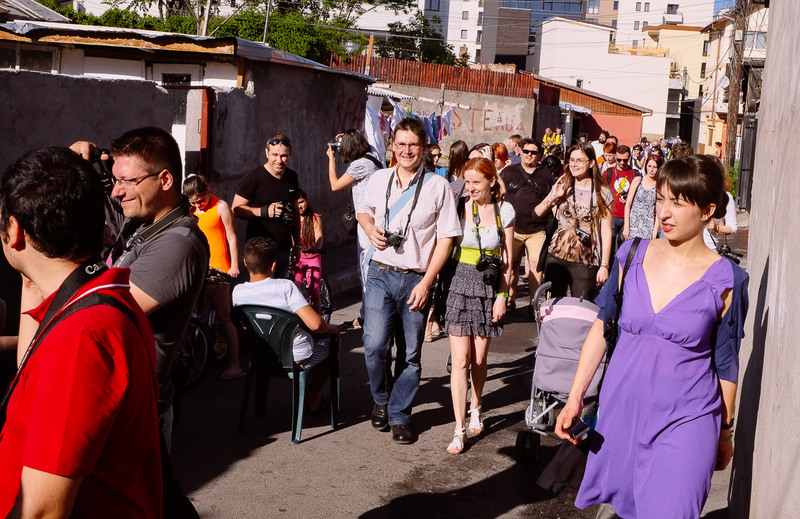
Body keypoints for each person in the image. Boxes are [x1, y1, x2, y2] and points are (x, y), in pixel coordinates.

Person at [555, 154, 749, 518]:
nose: (665, 213)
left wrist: (724, 432)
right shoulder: (631, 255)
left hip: (689, 418)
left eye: (678, 203)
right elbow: (602, 328)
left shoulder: (728, 280)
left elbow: (726, 361)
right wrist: (575, 397)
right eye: (661, 199)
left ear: (708, 210)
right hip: (624, 412)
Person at [0, 147, 161, 517]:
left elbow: (41, 511)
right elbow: (28, 368)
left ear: (14, 230)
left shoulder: (80, 337)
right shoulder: (99, 299)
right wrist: (29, 274)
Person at [72, 127, 209, 452]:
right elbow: (107, 199)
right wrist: (80, 165)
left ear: (165, 180)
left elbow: (97, 318)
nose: (116, 192)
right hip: (115, 408)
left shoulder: (177, 244)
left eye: (127, 181)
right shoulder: (144, 222)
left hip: (137, 420)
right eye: (115, 179)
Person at [356, 117, 462, 444]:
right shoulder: (379, 179)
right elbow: (363, 211)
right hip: (380, 273)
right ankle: (382, 399)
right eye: (401, 144)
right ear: (393, 145)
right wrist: (369, 228)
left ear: (424, 147)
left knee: (410, 353)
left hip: (417, 278)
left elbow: (446, 238)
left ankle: (400, 415)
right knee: (374, 344)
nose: (406, 150)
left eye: (413, 144)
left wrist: (427, 282)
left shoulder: (438, 186)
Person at [442, 158, 515, 454]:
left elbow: (508, 261)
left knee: (479, 360)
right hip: (460, 283)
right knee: (460, 361)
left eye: (476, 182)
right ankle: (459, 429)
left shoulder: (504, 211)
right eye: (467, 181)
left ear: (491, 181)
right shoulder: (459, 206)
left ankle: (476, 405)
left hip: (488, 287)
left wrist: (502, 295)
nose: (470, 187)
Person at [233, 237, 340, 411]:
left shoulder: (238, 292)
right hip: (295, 356)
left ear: (245, 262)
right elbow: (316, 325)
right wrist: (333, 329)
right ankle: (312, 396)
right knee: (334, 343)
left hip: (262, 355)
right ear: (274, 265)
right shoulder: (285, 287)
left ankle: (304, 397)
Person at [183, 174, 243, 380]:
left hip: (218, 268)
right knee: (189, 316)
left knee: (225, 317)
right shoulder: (188, 210)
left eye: (201, 200)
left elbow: (231, 237)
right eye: (193, 202)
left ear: (208, 190)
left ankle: (235, 364)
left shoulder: (220, 206)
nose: (198, 205)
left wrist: (234, 265)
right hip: (195, 267)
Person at [541, 143, 613, 301]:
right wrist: (553, 198)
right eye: (571, 160)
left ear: (591, 163)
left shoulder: (603, 192)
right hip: (556, 256)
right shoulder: (563, 185)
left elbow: (606, 231)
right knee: (552, 306)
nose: (574, 164)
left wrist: (604, 265)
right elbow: (537, 213)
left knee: (582, 308)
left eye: (580, 160)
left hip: (586, 260)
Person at [326, 128, 381, 329]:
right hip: (374, 220)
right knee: (368, 268)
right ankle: (365, 314)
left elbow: (335, 185)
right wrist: (346, 136)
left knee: (365, 270)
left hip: (367, 223)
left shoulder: (360, 165)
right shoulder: (373, 156)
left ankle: (368, 317)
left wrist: (331, 159)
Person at [233, 134, 301, 278]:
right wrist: (264, 211)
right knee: (262, 291)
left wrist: (297, 244)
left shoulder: (292, 177)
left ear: (290, 154)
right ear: (266, 153)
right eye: (274, 155)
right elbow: (236, 209)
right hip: (260, 251)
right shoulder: (253, 178)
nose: (279, 160)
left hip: (284, 249)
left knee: (280, 289)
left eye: (283, 156)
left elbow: (295, 210)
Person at [500, 138, 554, 310]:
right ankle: (510, 299)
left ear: (539, 155)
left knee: (536, 268)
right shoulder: (509, 171)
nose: (529, 155)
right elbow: (498, 193)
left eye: (533, 152)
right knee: (511, 266)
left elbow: (553, 199)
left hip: (537, 230)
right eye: (526, 151)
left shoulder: (546, 174)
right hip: (512, 229)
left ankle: (534, 305)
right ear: (521, 152)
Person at [604, 144, 638, 258]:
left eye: (625, 160)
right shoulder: (608, 173)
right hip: (611, 216)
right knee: (609, 249)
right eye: (619, 160)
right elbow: (601, 194)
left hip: (628, 218)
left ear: (629, 158)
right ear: (615, 157)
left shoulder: (635, 174)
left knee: (624, 251)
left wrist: (630, 198)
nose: (622, 163)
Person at [294, 189, 324, 312]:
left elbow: (319, 235)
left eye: (301, 202)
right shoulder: (292, 220)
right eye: (296, 204)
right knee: (295, 285)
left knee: (314, 290)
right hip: (297, 257)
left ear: (307, 201)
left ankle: (318, 319)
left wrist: (316, 247)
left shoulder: (314, 218)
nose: (299, 206)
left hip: (312, 257)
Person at [624, 153, 662, 241]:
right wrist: (626, 226)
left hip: (648, 228)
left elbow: (658, 210)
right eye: (649, 166)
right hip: (633, 226)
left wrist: (655, 232)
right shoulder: (637, 180)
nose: (651, 170)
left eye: (655, 167)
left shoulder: (660, 186)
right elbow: (628, 203)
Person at [703, 174, 738, 252]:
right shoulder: (688, 191)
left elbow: (733, 227)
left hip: (710, 250)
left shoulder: (725, 196)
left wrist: (716, 228)